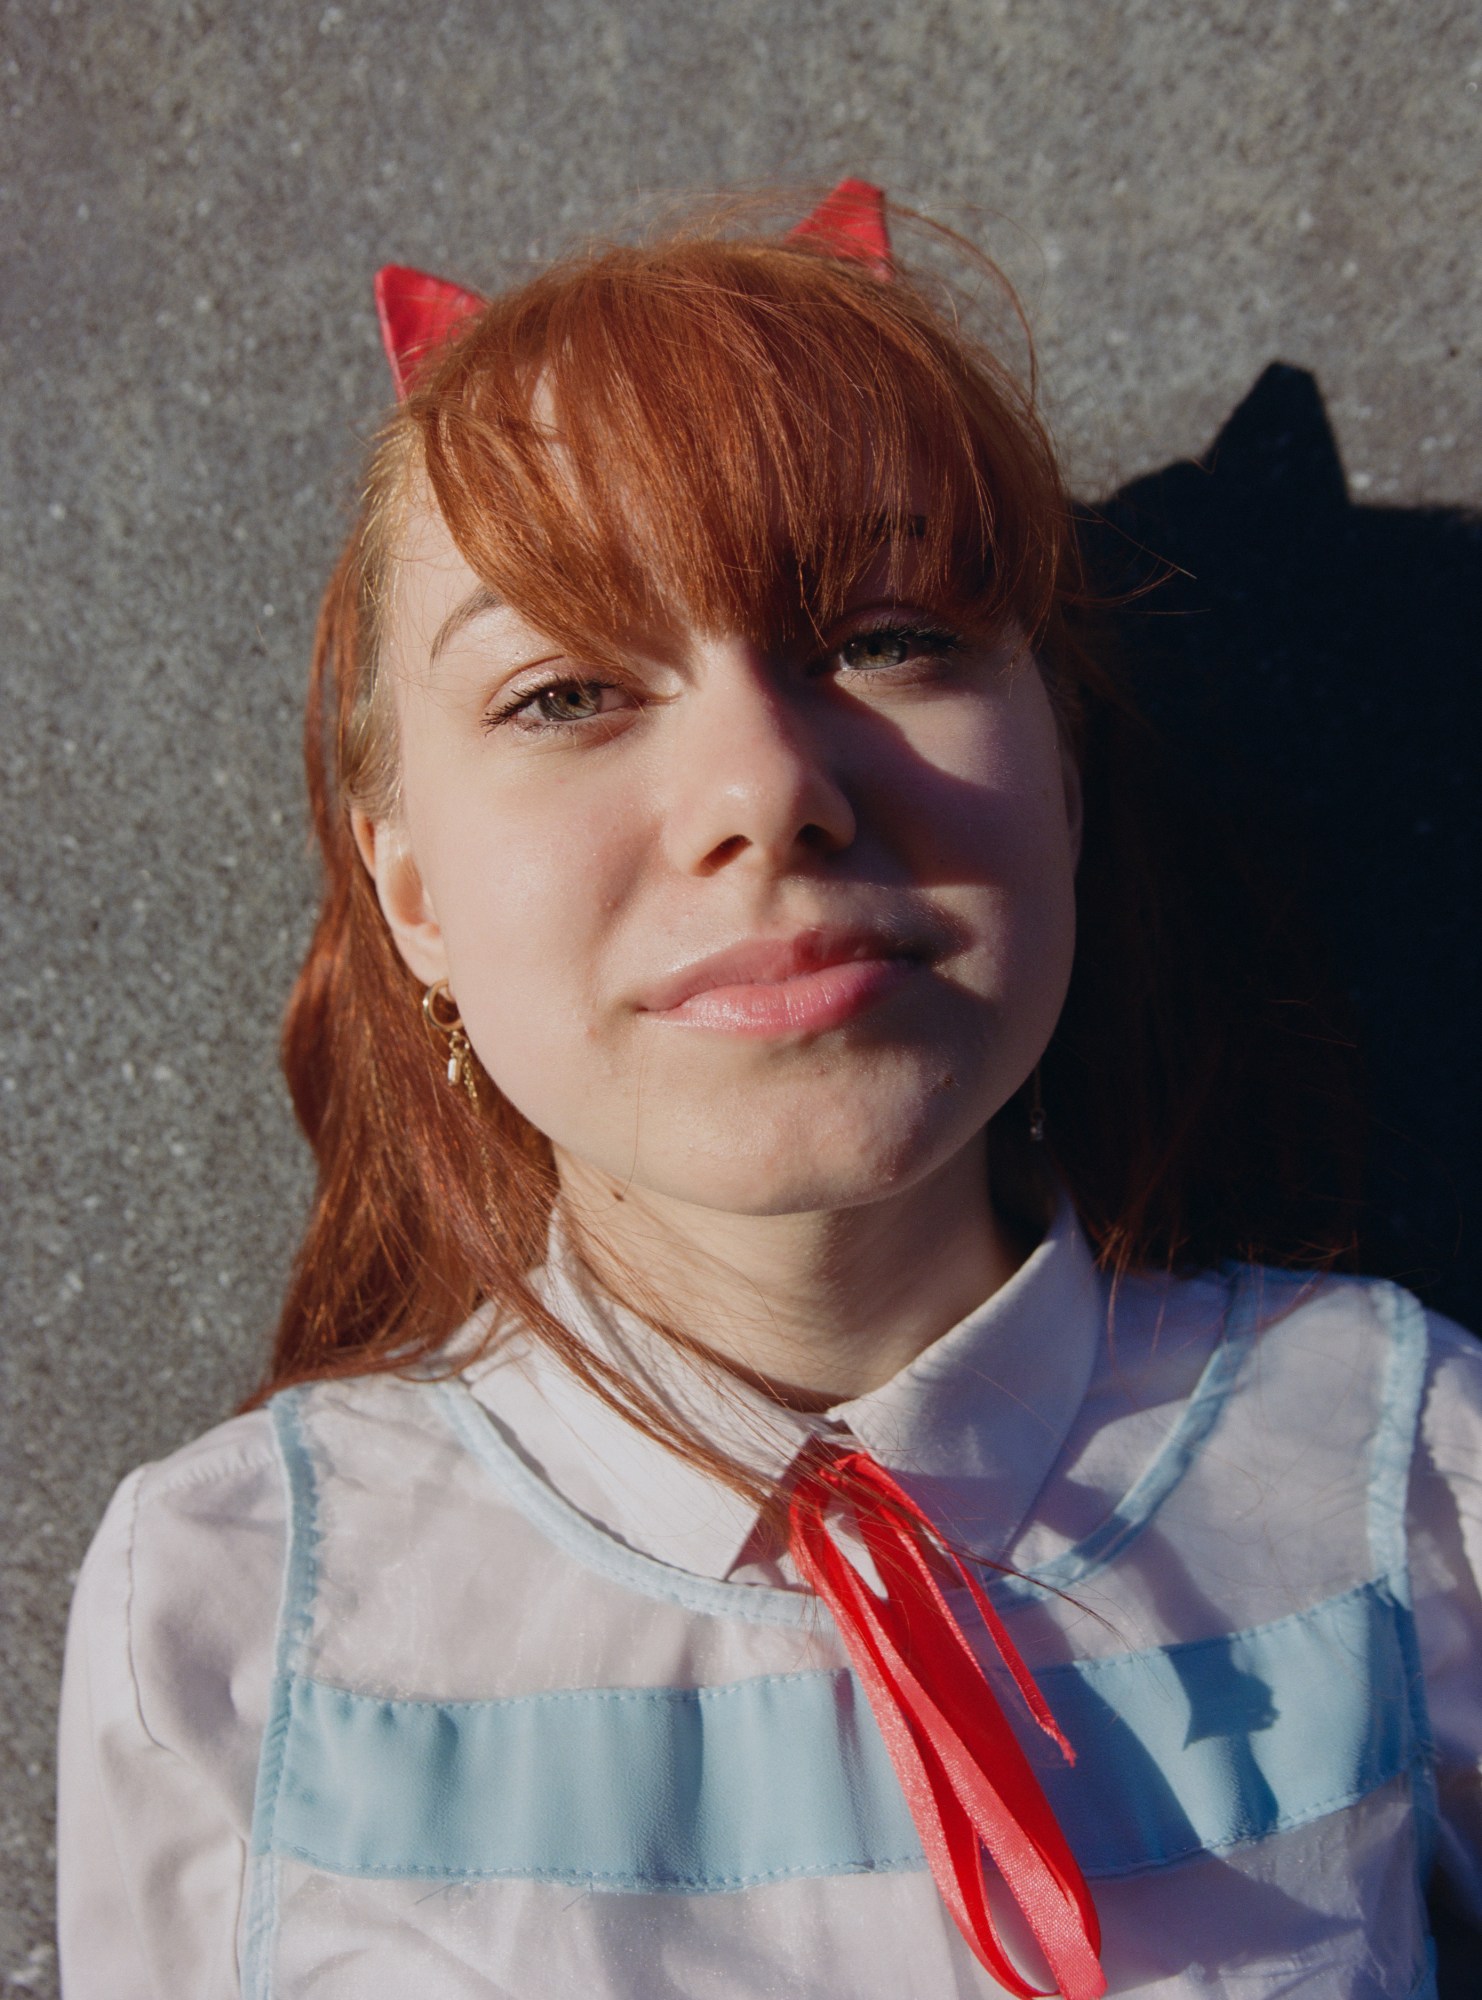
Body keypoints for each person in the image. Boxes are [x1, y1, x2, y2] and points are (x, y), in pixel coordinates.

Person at [56, 181, 1482, 1999]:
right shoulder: (228, 1607)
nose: (768, 787)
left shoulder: (1401, 1478)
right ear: (409, 893)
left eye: (890, 637)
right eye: (567, 690)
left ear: (1062, 775)